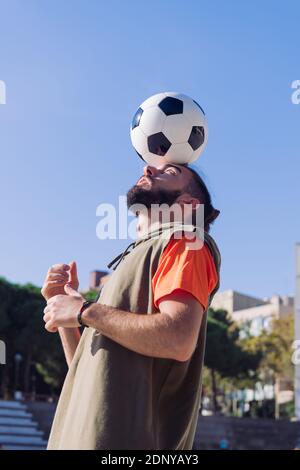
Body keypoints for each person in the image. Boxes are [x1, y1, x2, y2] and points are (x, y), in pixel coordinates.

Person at [41, 162, 221, 450]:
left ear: (188, 204)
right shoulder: (132, 262)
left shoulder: (187, 241)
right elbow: (88, 372)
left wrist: (84, 311)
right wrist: (66, 314)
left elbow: (178, 338)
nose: (149, 168)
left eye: (170, 173)